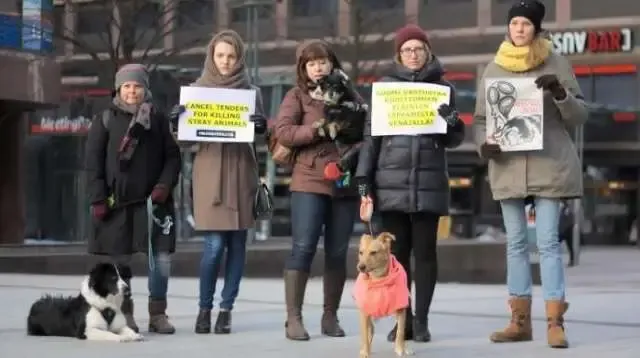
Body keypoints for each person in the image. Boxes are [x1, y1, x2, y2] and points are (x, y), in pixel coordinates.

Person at [472, 0, 588, 349]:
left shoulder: (556, 61)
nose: (519, 29)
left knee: (549, 242)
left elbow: (580, 114)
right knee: (516, 243)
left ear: (537, 29)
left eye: (526, 24)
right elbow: (480, 121)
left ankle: (555, 321)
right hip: (508, 166)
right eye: (515, 23)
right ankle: (519, 320)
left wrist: (559, 93)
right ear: (508, 28)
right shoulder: (493, 68)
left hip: (548, 163)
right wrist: (484, 146)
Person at [355, 24, 466, 343]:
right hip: (390, 183)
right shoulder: (384, 88)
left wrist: (453, 122)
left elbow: (454, 139)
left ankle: (422, 320)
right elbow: (371, 136)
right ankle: (401, 320)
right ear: (398, 54)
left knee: (427, 254)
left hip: (428, 182)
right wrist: (364, 177)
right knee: (397, 257)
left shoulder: (443, 88)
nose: (413, 54)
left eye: (418, 48)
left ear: (427, 52)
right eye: (407, 49)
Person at [168, 30, 267, 335]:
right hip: (209, 174)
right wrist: (177, 123)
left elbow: (261, 140)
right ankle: (204, 308)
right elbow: (184, 143)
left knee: (237, 246)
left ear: (239, 58)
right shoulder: (198, 90)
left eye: (231, 56)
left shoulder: (252, 92)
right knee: (213, 247)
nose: (225, 61)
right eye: (220, 55)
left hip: (241, 173)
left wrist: (262, 127)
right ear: (212, 56)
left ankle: (226, 311)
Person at [272, 39, 366, 341]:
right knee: (303, 248)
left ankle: (330, 316)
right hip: (309, 180)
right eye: (311, 63)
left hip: (342, 181)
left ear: (331, 62)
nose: (318, 67)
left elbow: (366, 130)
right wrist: (318, 129)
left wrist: (351, 132)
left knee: (337, 252)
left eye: (322, 61)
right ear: (304, 68)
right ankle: (294, 318)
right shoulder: (297, 95)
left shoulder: (348, 90)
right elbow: (283, 132)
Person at [85, 63, 182, 334]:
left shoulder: (158, 119)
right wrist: (98, 198)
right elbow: (92, 163)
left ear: (145, 89)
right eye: (127, 86)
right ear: (119, 88)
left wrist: (164, 185)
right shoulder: (104, 119)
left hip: (154, 204)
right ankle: (125, 314)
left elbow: (173, 158)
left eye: (137, 86)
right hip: (118, 206)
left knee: (161, 260)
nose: (132, 91)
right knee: (121, 263)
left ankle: (158, 314)